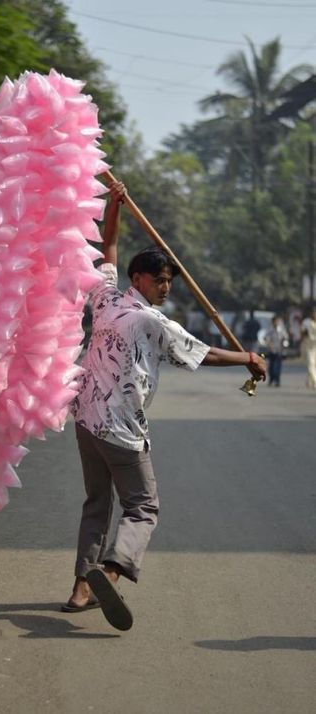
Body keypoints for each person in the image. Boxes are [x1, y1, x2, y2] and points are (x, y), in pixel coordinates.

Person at [62, 180, 267, 631]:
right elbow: (205, 353)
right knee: (143, 506)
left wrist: (115, 205)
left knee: (97, 502)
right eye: (159, 279)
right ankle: (111, 572)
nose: (166, 287)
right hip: (120, 430)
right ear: (140, 279)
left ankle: (81, 590)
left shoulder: (106, 296)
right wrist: (249, 358)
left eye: (170, 281)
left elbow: (109, 244)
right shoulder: (151, 320)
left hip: (85, 420)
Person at [264, 315, 288, 387]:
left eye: (277, 321)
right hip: (271, 350)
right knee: (271, 367)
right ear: (273, 322)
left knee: (278, 366)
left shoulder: (281, 330)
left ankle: (277, 380)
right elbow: (266, 338)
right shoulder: (270, 330)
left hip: (279, 350)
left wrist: (284, 343)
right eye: (275, 321)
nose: (276, 323)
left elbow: (286, 337)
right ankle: (271, 379)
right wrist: (269, 344)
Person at [301, 307, 316, 389]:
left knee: (314, 365)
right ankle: (315, 381)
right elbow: (302, 333)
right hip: (308, 346)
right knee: (311, 364)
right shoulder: (307, 322)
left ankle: (309, 381)